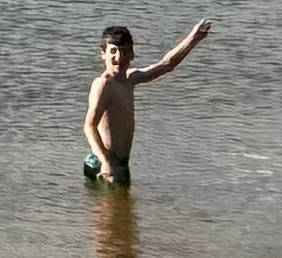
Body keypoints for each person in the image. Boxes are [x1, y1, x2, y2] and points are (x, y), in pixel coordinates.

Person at [81, 19, 209, 188]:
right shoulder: (103, 85)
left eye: (124, 51)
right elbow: (89, 127)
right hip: (103, 163)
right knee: (111, 205)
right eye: (113, 51)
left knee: (124, 205)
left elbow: (166, 65)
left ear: (132, 55)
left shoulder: (130, 79)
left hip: (121, 164)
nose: (119, 57)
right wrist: (105, 161)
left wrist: (193, 39)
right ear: (103, 53)